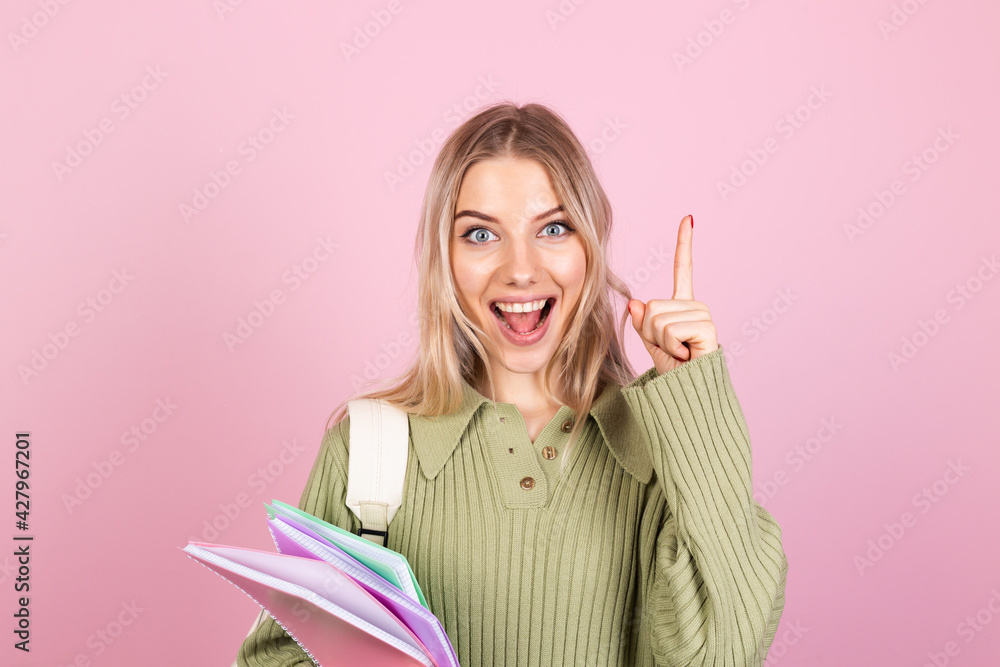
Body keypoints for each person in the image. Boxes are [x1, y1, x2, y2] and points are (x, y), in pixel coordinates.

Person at [236, 102, 788, 666]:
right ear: (444, 258)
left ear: (590, 245)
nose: (520, 268)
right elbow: (276, 656)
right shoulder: (369, 448)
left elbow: (725, 653)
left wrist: (693, 400)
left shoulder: (660, 454)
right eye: (480, 234)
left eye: (553, 228)